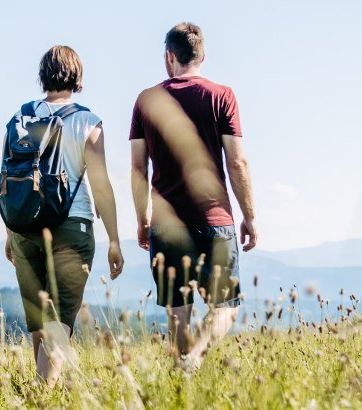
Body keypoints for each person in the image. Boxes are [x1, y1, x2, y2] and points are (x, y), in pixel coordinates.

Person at [129, 22, 258, 371]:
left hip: (167, 226)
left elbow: (138, 170)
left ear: (169, 57)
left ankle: (185, 370)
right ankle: (195, 359)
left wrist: (143, 221)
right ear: (203, 56)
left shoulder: (147, 101)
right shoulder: (222, 96)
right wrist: (250, 215)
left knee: (178, 312)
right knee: (225, 306)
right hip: (214, 221)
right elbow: (237, 161)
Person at [4, 45, 124, 385]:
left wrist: (10, 233)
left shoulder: (19, 118)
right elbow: (100, 187)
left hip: (24, 228)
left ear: (42, 76)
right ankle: (42, 397)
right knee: (59, 321)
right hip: (71, 226)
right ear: (78, 77)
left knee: (41, 320)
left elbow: (11, 179)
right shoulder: (87, 121)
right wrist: (114, 239)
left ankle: (42, 389)